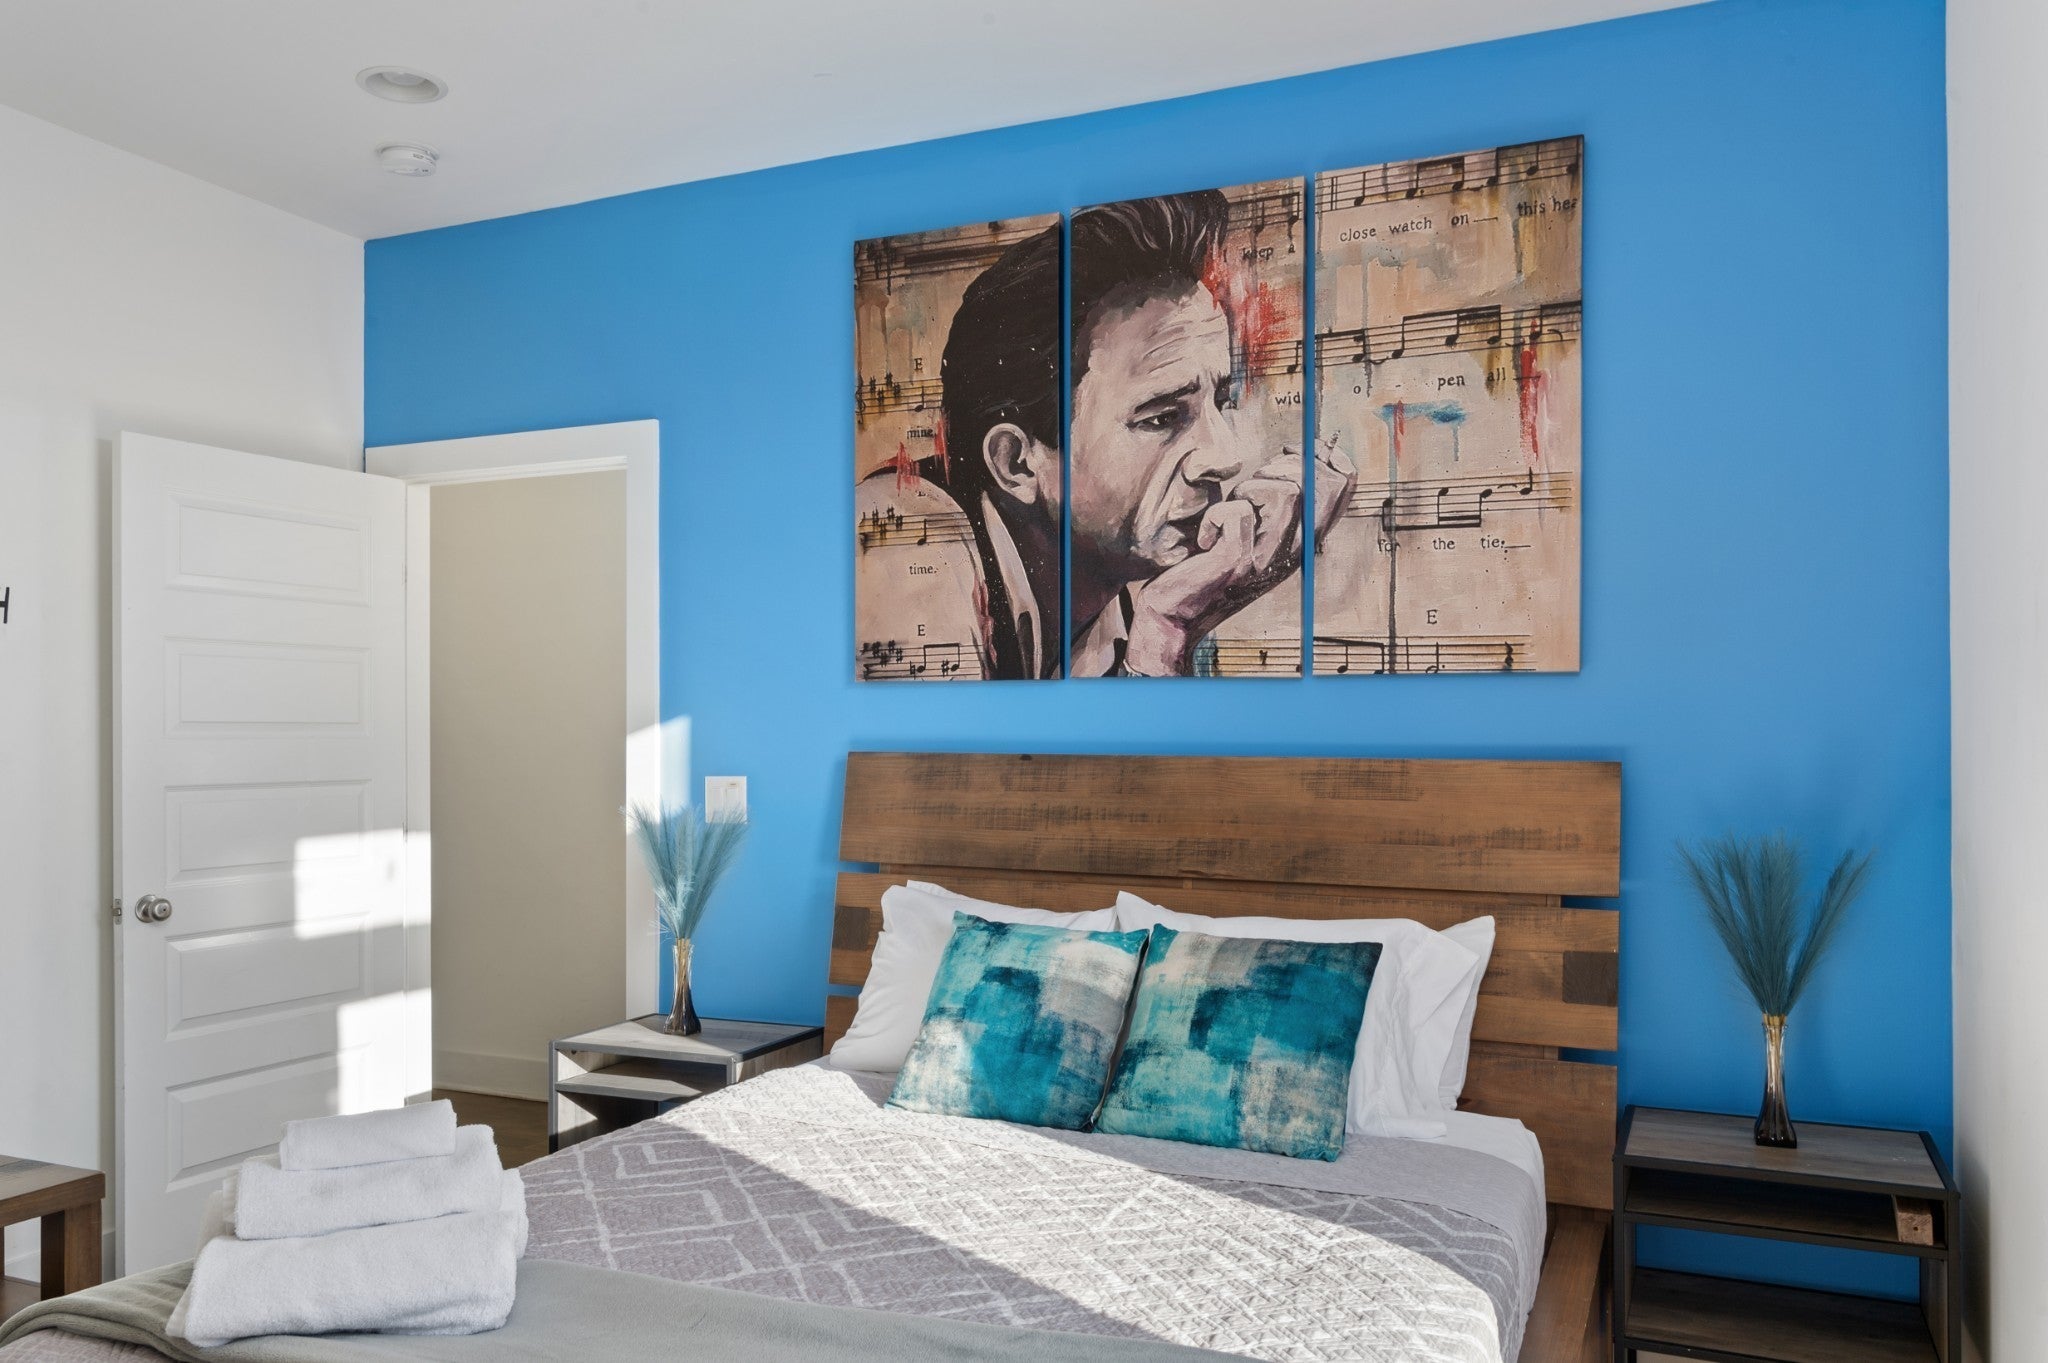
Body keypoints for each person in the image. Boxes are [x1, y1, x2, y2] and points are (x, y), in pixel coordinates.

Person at [1067, 192, 1352, 676]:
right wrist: (1168, 629)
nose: (1226, 457)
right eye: (1161, 417)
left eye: (1219, 401)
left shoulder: (1119, 604)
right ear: (1016, 462)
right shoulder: (943, 582)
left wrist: (1168, 624)